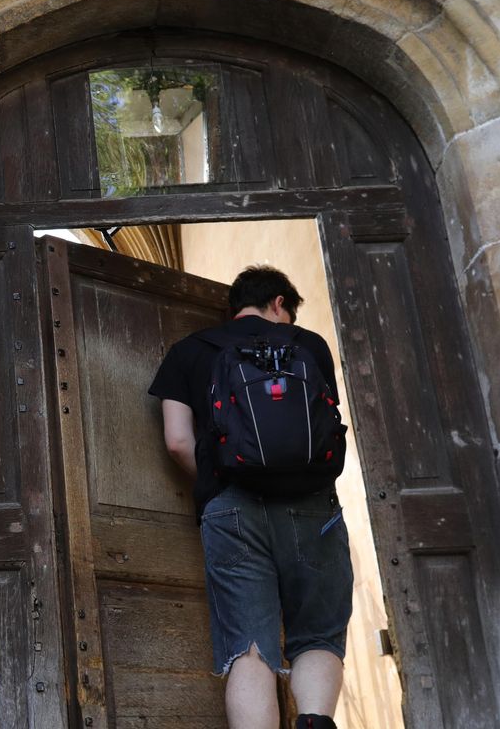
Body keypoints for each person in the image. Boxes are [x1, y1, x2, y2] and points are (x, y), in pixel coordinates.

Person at [147, 265, 350, 729]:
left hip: (231, 505)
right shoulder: (309, 346)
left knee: (249, 644)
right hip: (313, 502)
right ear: (279, 303)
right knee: (317, 633)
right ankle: (315, 721)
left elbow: (178, 441)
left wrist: (222, 479)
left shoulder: (188, 352)